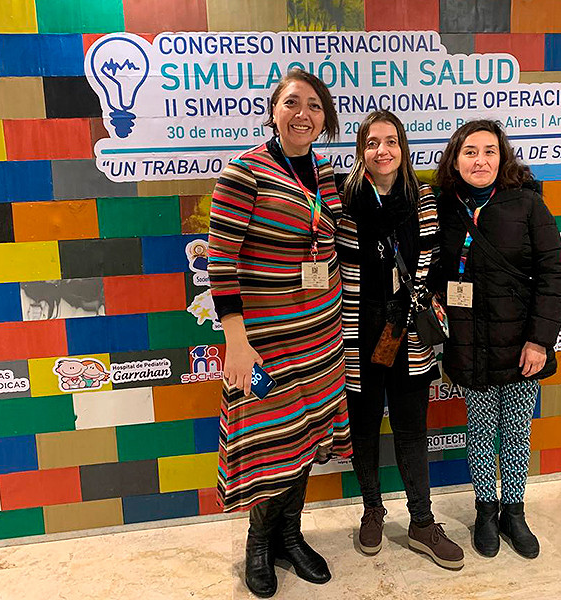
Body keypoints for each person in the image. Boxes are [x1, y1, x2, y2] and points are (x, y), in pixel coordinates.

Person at [207, 69, 352, 598]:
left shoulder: (327, 174)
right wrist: (236, 341)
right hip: (264, 342)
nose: (304, 114)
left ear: (325, 118)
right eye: (293, 103)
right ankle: (260, 545)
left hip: (321, 339)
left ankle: (291, 536)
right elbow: (219, 261)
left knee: (303, 438)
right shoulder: (245, 172)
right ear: (273, 110)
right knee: (269, 443)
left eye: (315, 105)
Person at [433, 120, 561, 560]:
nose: (480, 160)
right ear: (455, 159)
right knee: (480, 431)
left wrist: (539, 339)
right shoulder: (441, 207)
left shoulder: (528, 204)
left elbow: (553, 275)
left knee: (514, 433)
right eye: (470, 151)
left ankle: (514, 512)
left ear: (502, 157)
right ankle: (485, 511)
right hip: (469, 344)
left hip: (520, 346)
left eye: (490, 151)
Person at [336, 110, 465, 569]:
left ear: (403, 148)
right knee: (365, 430)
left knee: (412, 432)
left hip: (408, 332)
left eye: (391, 141)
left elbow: (434, 267)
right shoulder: (343, 202)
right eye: (372, 143)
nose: (382, 150)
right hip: (357, 333)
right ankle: (372, 509)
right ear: (361, 151)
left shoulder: (425, 198)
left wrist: (411, 308)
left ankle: (422, 522)